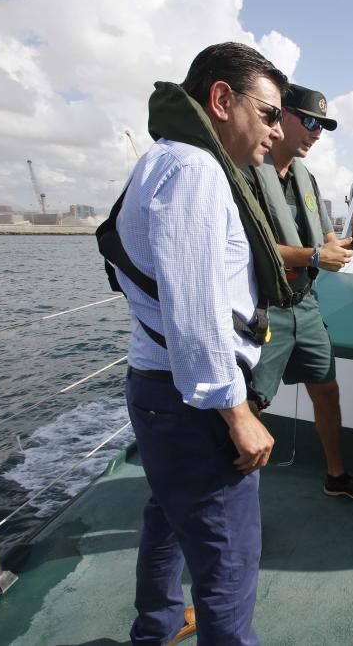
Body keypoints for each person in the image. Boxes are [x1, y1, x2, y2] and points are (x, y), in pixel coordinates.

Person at [107, 42, 288, 645]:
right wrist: (236, 413)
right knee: (228, 570)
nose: (277, 130)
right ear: (220, 99)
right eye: (268, 113)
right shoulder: (196, 171)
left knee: (166, 518)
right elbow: (196, 310)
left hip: (160, 392)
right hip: (197, 408)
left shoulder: (165, 160)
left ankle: (154, 630)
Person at [246, 84, 353, 503]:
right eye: (310, 121)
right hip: (266, 309)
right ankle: (236, 499)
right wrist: (318, 255)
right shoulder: (248, 172)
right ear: (281, 115)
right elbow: (255, 246)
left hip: (305, 305)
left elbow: (326, 244)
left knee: (326, 390)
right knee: (251, 407)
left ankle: (336, 475)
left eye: (321, 126)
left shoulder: (306, 179)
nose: (316, 133)